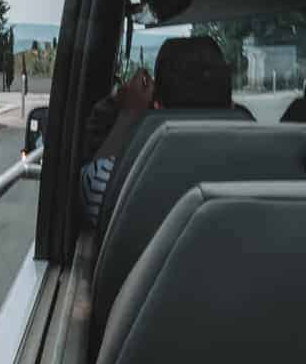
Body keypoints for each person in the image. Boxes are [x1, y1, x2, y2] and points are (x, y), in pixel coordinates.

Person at [80, 36, 235, 228]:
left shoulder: (129, 185)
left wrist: (128, 114)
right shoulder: (258, 171)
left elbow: (92, 188)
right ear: (230, 104)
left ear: (157, 105)